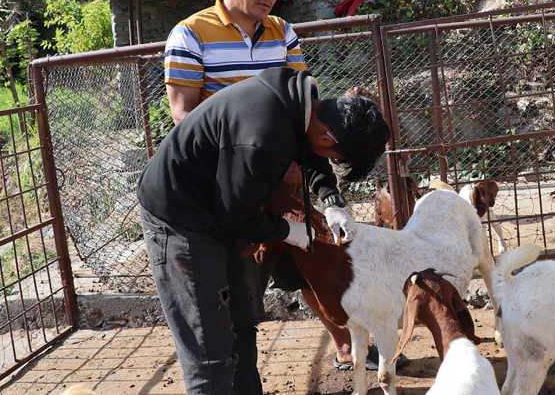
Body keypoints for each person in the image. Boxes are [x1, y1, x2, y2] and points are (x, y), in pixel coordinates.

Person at [161, 0, 402, 374]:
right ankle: (236, 358)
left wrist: (327, 196)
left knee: (313, 256)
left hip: (282, 172)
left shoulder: (283, 32)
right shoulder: (190, 34)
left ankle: (346, 345)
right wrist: (258, 153)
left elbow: (303, 109)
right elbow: (184, 116)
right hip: (228, 179)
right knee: (241, 279)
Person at [138, 67, 390, 395]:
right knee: (209, 351)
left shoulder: (303, 105)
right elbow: (236, 217)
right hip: (180, 219)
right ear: (328, 138)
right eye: (336, 156)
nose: (329, 158)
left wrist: (330, 198)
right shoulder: (263, 136)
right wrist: (288, 231)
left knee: (240, 329)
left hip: (216, 212)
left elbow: (310, 155)